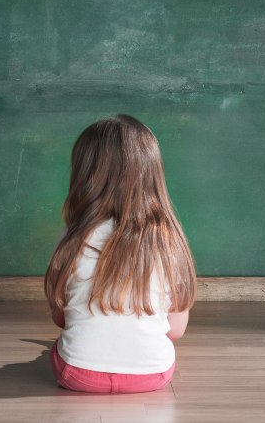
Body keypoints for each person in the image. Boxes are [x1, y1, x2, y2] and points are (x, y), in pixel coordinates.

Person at [44, 114, 197, 394]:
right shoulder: (168, 240)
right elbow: (175, 330)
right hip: (153, 374)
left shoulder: (71, 236)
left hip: (76, 374)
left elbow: (61, 318)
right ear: (152, 174)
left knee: (60, 348)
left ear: (84, 175)